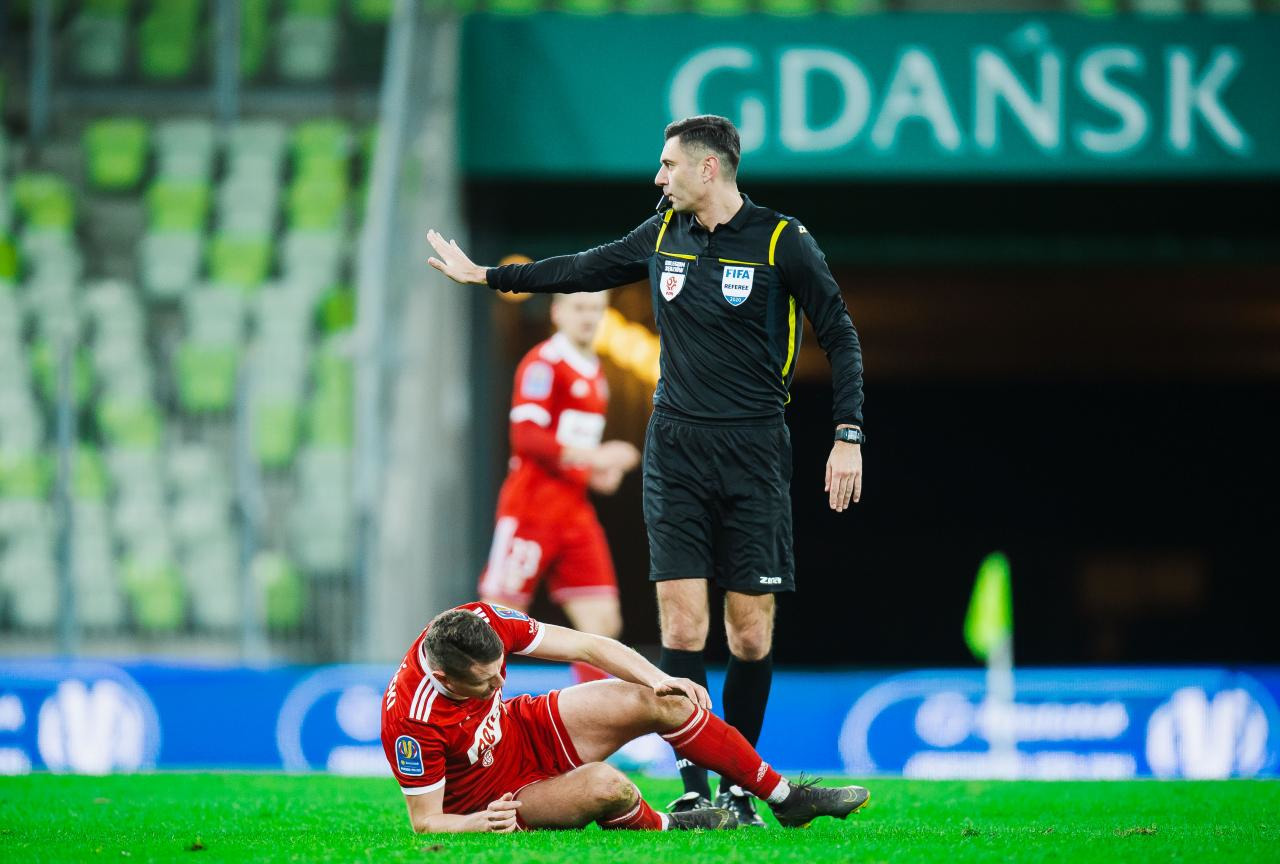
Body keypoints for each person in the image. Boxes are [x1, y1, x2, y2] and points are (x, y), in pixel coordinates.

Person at [426, 114, 865, 827]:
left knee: (749, 633)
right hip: (677, 450)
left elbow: (839, 334)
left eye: (668, 165)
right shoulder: (662, 234)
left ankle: (740, 788)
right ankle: (696, 788)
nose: (658, 177)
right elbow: (580, 266)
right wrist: (488, 276)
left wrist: (847, 434)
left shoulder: (782, 240)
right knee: (682, 626)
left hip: (755, 451)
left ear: (708, 168)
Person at [380, 601, 871, 833]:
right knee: (609, 786)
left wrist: (658, 677)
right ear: (443, 677)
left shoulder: (483, 622)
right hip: (498, 798)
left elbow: (588, 645)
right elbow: (426, 822)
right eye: (484, 682)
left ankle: (787, 799)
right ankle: (669, 825)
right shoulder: (410, 719)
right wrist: (477, 824)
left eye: (499, 671)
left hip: (521, 729)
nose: (498, 684)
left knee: (663, 702)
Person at [479, 292, 640, 685]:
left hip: (574, 513)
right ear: (557, 312)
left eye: (596, 309)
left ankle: (590, 717)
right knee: (494, 623)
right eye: (580, 308)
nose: (589, 317)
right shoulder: (544, 363)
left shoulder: (595, 370)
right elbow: (527, 436)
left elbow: (567, 448)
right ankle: (465, 711)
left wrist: (594, 473)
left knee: (603, 624)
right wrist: (598, 456)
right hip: (531, 509)